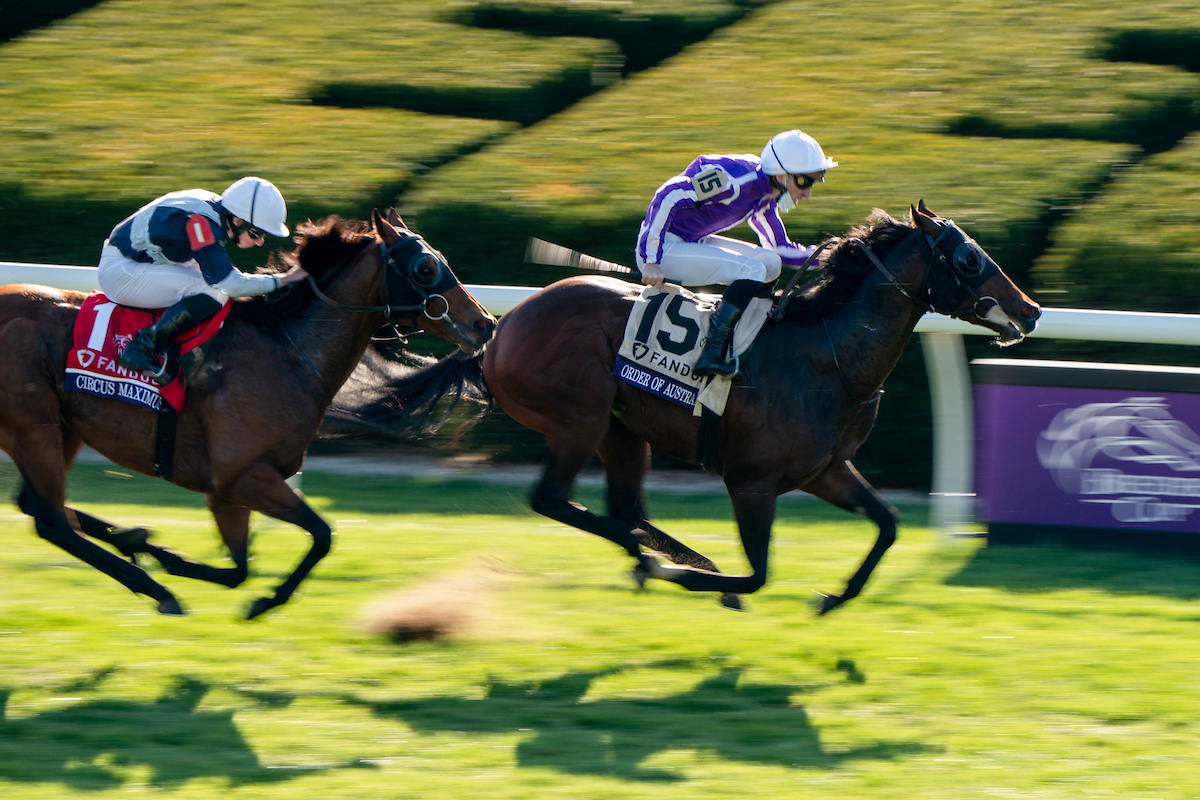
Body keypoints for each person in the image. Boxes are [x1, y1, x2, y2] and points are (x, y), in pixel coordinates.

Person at [635, 129, 837, 377]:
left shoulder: (764, 195)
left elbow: (779, 249)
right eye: (804, 182)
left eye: (814, 182)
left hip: (690, 241)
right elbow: (668, 194)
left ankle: (747, 336)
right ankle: (711, 353)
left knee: (770, 262)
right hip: (662, 250)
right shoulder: (733, 181)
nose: (807, 193)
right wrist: (651, 260)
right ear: (781, 175)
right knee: (752, 269)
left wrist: (832, 256)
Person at [97, 176, 308, 384]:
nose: (260, 242)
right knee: (213, 290)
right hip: (120, 272)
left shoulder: (214, 211)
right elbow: (229, 283)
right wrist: (283, 280)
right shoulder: (201, 223)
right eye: (256, 233)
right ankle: (141, 347)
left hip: (143, 262)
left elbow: (224, 277)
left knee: (217, 288)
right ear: (237, 221)